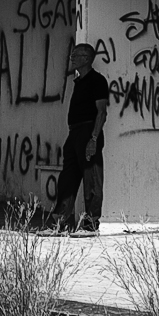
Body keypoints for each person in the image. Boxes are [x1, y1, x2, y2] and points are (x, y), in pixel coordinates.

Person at [52, 42, 108, 233]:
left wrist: (93, 139)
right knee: (67, 178)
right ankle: (59, 223)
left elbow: (101, 113)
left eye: (75, 56)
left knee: (91, 180)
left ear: (86, 59)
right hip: (74, 133)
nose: (72, 58)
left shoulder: (97, 81)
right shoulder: (79, 81)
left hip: (87, 132)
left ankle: (91, 225)